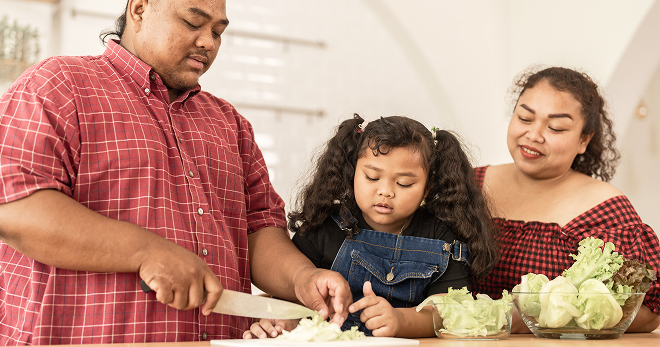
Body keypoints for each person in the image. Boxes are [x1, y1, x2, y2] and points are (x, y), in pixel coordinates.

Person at [0, 0, 351, 344]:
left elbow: (258, 230)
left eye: (217, 31)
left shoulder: (230, 124)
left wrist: (302, 279)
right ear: (139, 9)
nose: (208, 42)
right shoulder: (59, 84)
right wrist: (146, 252)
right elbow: (14, 210)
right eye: (192, 22)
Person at [243, 114, 500, 339]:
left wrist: (401, 322)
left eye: (404, 184)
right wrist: (283, 321)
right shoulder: (324, 226)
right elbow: (294, 296)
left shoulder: (443, 238)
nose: (385, 192)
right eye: (372, 177)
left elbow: (448, 312)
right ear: (353, 171)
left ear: (428, 187)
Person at [471, 66, 660, 333]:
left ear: (584, 140)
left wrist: (538, 318)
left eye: (556, 127)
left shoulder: (607, 210)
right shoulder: (466, 186)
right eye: (525, 118)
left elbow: (648, 312)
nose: (534, 135)